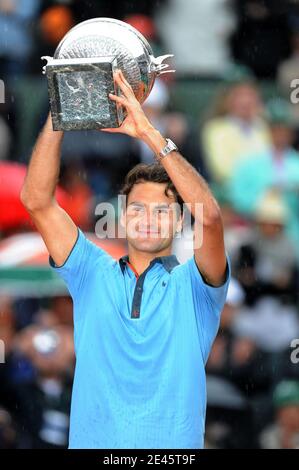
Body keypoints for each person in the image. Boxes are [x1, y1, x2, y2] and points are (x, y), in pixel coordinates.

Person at [21, 70, 230, 449]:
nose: (148, 219)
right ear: (122, 216)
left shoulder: (196, 286)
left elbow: (210, 217)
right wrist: (60, 110)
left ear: (181, 220)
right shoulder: (90, 271)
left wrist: (150, 133)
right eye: (137, 209)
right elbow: (37, 201)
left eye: (162, 211)